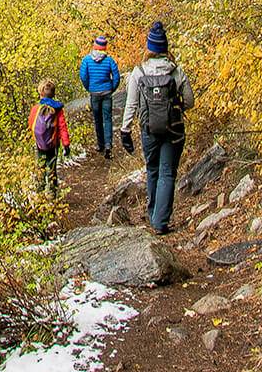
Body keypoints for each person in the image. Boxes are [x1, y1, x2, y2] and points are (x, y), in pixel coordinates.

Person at [120, 21, 195, 234]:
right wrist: (176, 106)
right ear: (166, 48)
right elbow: (190, 101)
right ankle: (160, 222)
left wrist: (125, 130)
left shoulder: (139, 72)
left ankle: (153, 213)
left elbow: (131, 103)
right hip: (174, 129)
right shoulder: (176, 71)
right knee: (167, 173)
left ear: (149, 48)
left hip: (149, 129)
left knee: (152, 169)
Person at [79, 34, 121, 159]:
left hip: (94, 93)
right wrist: (112, 88)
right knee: (107, 119)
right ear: (104, 48)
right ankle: (108, 145)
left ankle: (100, 144)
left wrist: (89, 88)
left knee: (97, 119)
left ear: (94, 46)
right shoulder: (109, 60)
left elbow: (83, 76)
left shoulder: (86, 60)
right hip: (107, 92)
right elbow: (116, 76)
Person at [29, 79, 70, 199]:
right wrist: (66, 144)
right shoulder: (58, 110)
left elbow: (31, 123)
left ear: (40, 93)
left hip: (39, 144)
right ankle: (52, 193)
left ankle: (39, 190)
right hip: (54, 144)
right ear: (53, 94)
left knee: (40, 165)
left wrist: (36, 137)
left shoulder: (35, 108)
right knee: (51, 167)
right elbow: (62, 127)